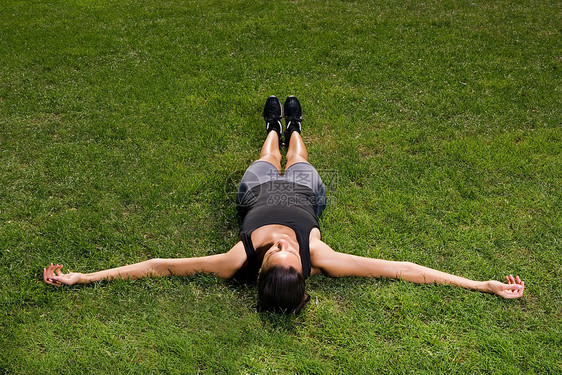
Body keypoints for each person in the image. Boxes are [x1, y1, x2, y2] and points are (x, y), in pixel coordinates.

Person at [43, 95, 525, 313]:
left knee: (265, 158)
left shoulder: (238, 259)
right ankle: (293, 129)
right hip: (301, 193)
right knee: (298, 159)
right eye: (288, 255)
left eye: (278, 256)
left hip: (255, 192)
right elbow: (401, 268)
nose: (283, 249)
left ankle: (274, 128)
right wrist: (480, 285)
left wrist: (84, 277)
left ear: (262, 271)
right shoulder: (322, 258)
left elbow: (160, 266)